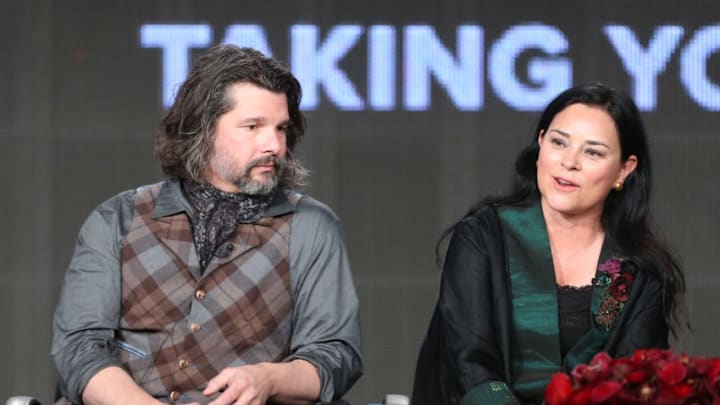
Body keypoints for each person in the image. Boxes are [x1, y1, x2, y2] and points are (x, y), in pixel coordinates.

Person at [51, 45, 362, 405]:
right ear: (203, 129)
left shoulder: (311, 227)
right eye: (252, 127)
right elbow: (78, 348)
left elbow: (336, 357)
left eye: (280, 128)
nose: (273, 144)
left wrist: (267, 379)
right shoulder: (118, 219)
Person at [411, 83, 686, 405]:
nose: (569, 162)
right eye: (558, 142)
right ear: (540, 144)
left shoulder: (630, 269)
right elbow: (469, 363)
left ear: (624, 170)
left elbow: (630, 380)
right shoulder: (485, 237)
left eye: (593, 152)